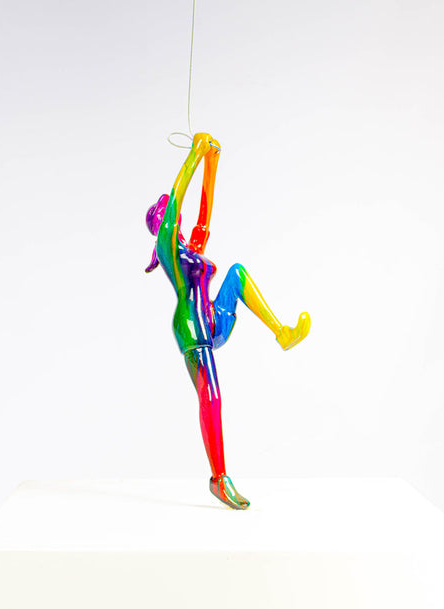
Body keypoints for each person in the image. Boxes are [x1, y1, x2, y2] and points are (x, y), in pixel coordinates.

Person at [145, 132, 310, 509]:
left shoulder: (189, 248)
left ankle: (282, 333)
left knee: (236, 273)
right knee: (212, 396)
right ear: (161, 225)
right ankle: (219, 479)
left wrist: (212, 164)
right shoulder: (168, 249)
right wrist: (193, 155)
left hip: (213, 318)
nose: (174, 216)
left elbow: (204, 219)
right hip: (193, 325)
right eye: (168, 215)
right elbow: (175, 208)